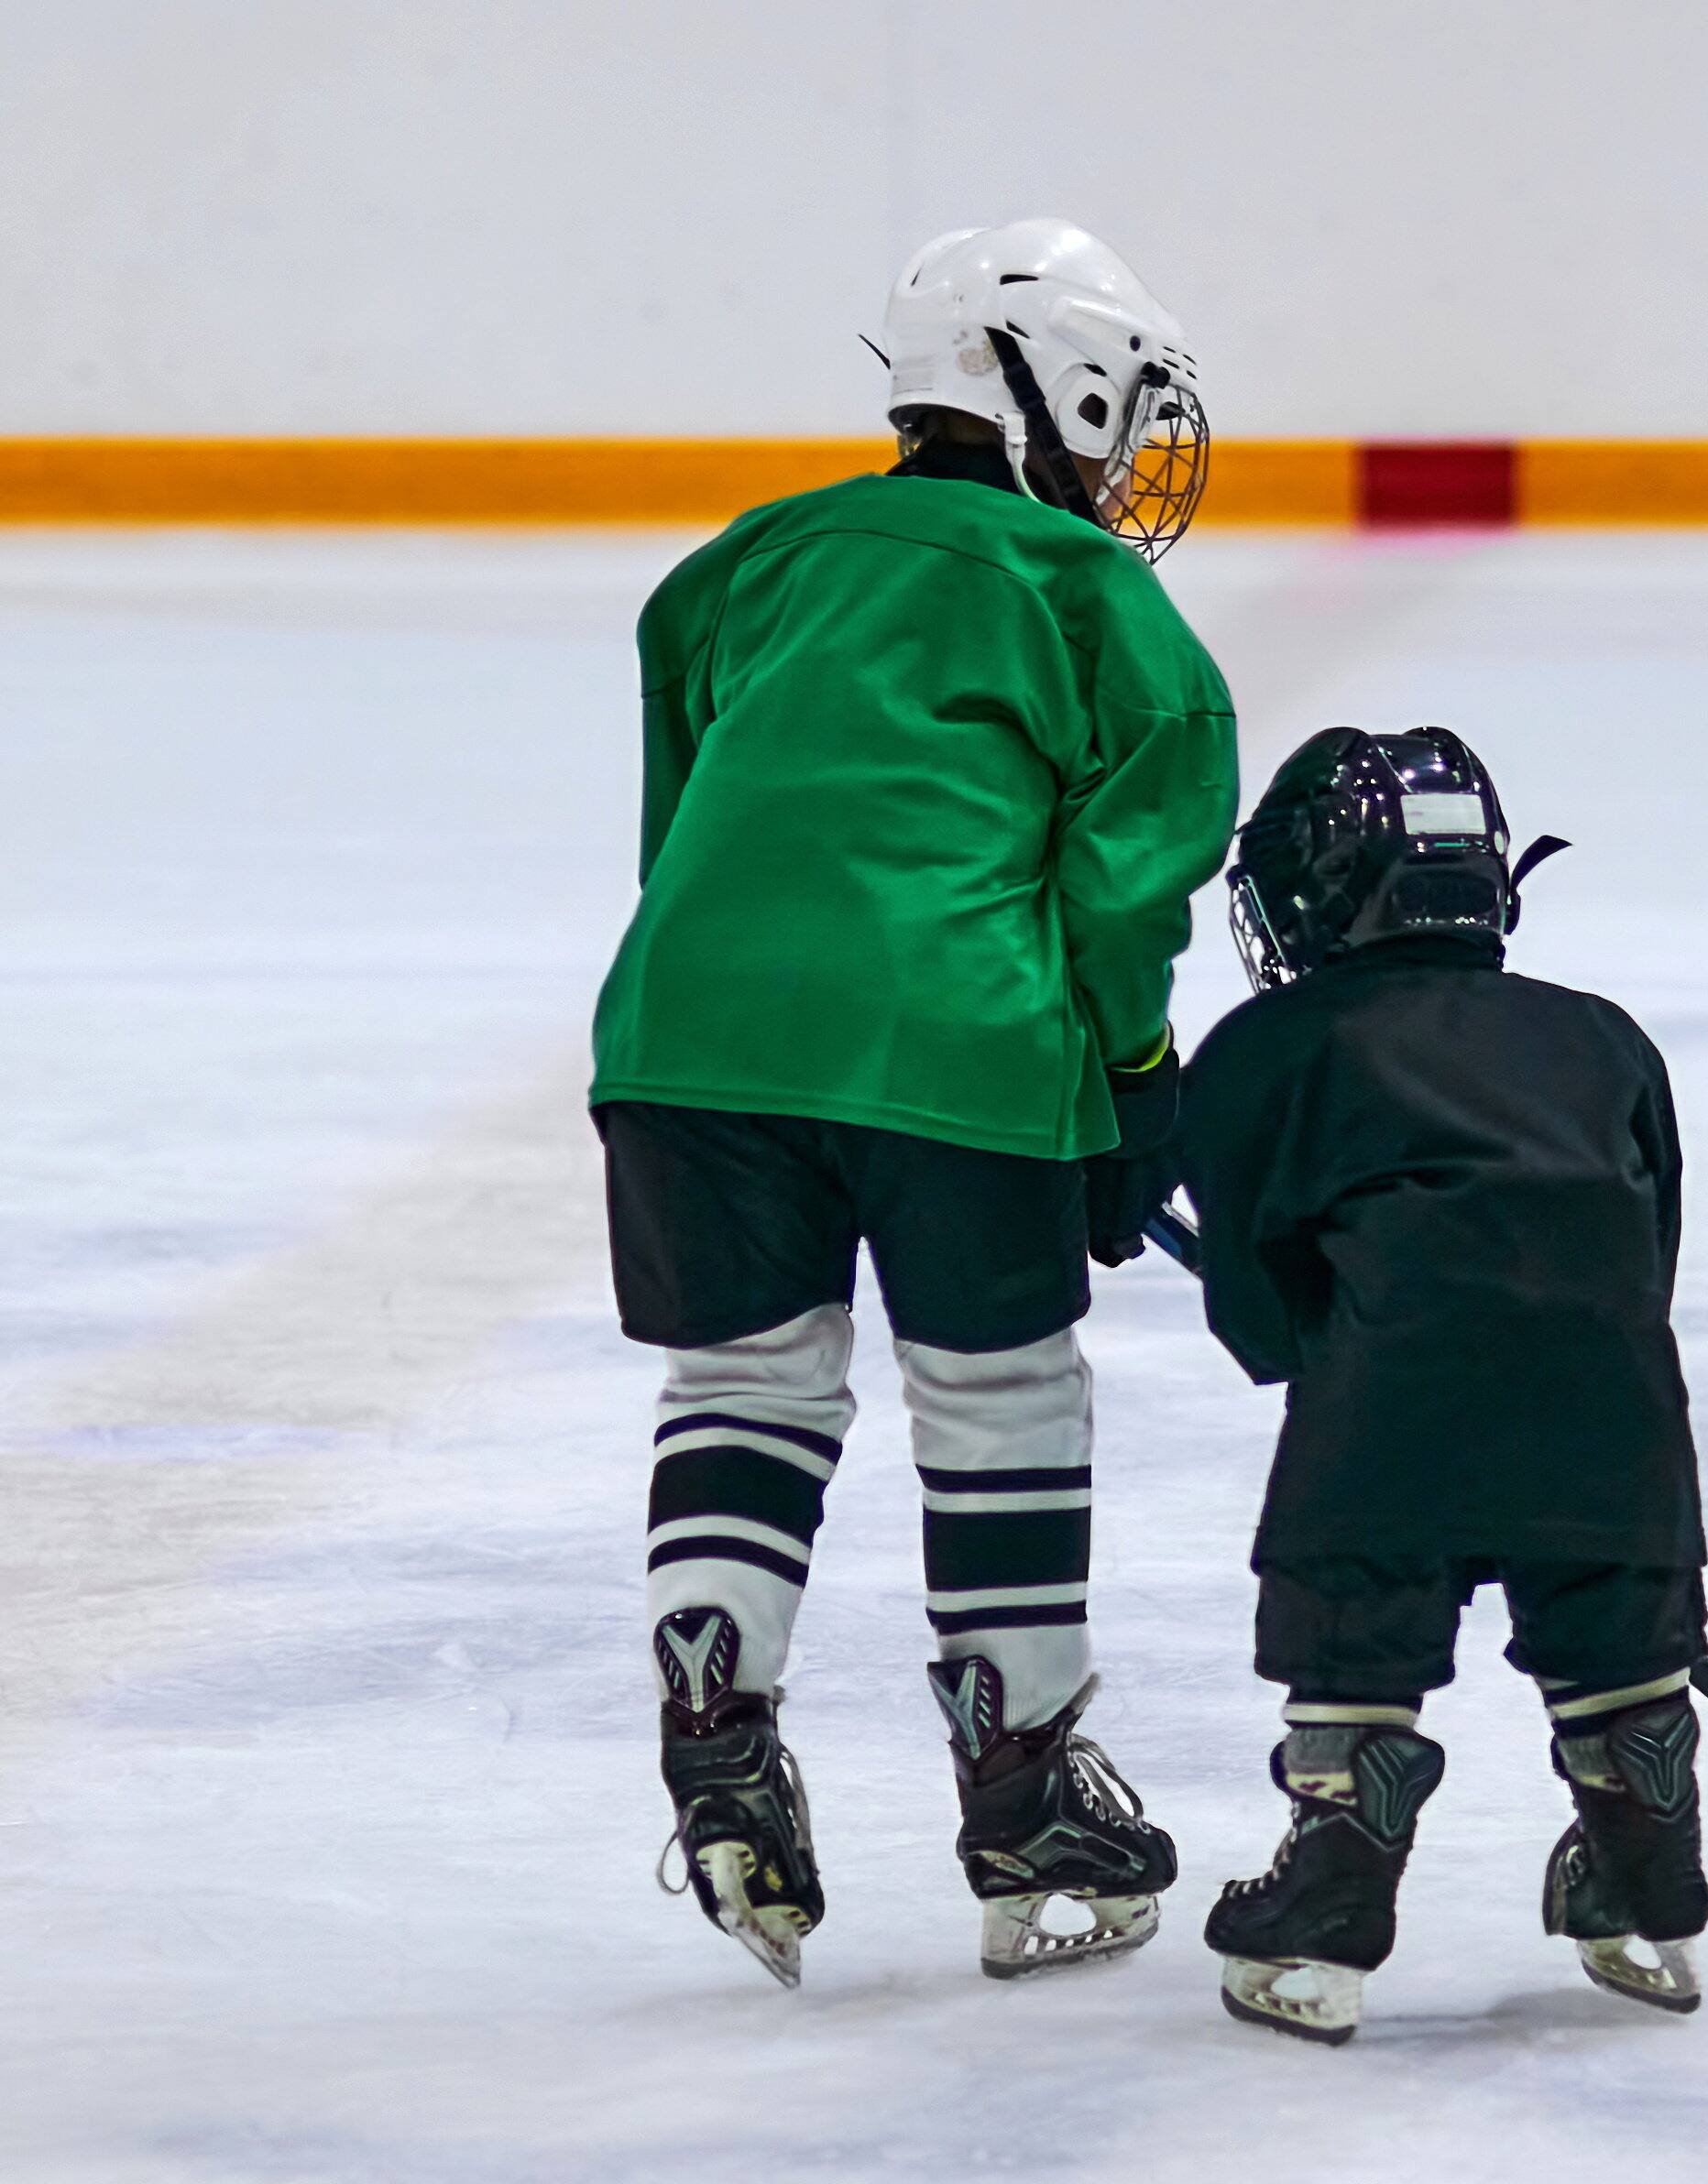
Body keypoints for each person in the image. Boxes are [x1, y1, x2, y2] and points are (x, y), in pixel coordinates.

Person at [589, 218, 1237, 1988]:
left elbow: (687, 822)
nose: (1133, 451)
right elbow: (1122, 890)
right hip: (956, 1042)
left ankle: (719, 1733)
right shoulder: (1091, 595)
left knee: (743, 1386)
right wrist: (1132, 1083)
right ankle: (1024, 1796)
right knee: (999, 1392)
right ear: (1065, 389)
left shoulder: (744, 560)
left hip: (687, 1044)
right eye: (1125, 409)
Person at [1174, 726, 1708, 2045]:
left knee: (1355, 1616)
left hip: (1388, 1405)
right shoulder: (1605, 1038)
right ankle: (1645, 1870)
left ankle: (1329, 1902)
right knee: (1618, 1642)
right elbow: (1643, 1258)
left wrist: (1346, 1362)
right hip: (1618, 1417)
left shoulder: (1265, 1046)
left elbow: (1257, 1308)